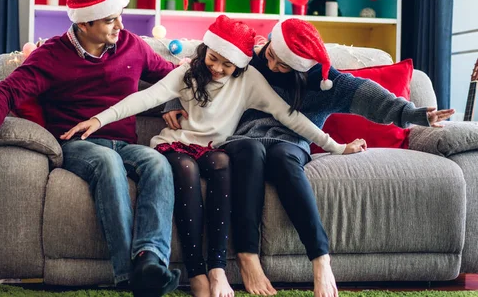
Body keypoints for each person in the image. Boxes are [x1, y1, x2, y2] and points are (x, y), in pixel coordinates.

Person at [61, 15, 367, 297]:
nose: (217, 69)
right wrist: (99, 119)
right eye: (212, 59)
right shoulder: (186, 72)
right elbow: (145, 98)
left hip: (213, 149)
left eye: (227, 65)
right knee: (186, 169)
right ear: (204, 51)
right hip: (176, 145)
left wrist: (336, 147)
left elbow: (291, 118)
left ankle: (217, 268)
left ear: (242, 65)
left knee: (222, 162)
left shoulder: (250, 82)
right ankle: (196, 272)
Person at [163, 18, 455, 297]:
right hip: (243, 138)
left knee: (283, 160)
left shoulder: (326, 82)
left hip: (291, 142)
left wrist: (415, 114)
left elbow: (374, 98)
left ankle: (320, 259)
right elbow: (197, 69)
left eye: (283, 65)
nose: (272, 65)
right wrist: (174, 101)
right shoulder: (251, 56)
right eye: (271, 55)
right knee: (251, 150)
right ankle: (247, 254)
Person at [0, 0, 182, 297]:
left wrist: (170, 102)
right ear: (84, 24)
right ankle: (128, 275)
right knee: (106, 161)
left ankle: (150, 259)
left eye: (119, 17)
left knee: (158, 163)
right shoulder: (52, 57)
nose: (119, 27)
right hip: (79, 144)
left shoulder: (132, 45)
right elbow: (7, 92)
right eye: (108, 21)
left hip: (126, 142)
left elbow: (172, 76)